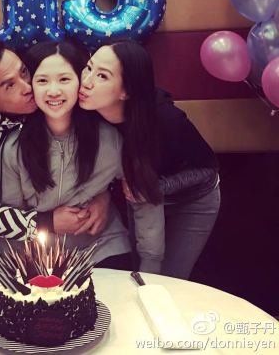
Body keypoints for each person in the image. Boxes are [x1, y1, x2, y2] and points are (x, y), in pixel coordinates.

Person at [0, 40, 164, 270]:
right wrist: (25, 270)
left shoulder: (110, 139)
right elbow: (8, 220)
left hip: (102, 248)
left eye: (64, 79)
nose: (54, 91)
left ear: (79, 82)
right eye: (42, 81)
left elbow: (143, 197)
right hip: (41, 259)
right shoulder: (14, 148)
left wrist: (150, 263)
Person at [0, 40, 110, 278]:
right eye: (9, 85)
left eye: (24, 72)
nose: (27, 86)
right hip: (3, 259)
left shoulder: (47, 101)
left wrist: (103, 196)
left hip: (76, 247)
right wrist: (46, 223)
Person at [79, 39, 220, 279]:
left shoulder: (166, 120)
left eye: (102, 76)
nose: (87, 81)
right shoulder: (88, 115)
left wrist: (157, 187)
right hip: (142, 200)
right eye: (89, 67)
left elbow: (208, 170)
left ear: (126, 91)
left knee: (169, 280)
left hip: (192, 201)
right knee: (140, 275)